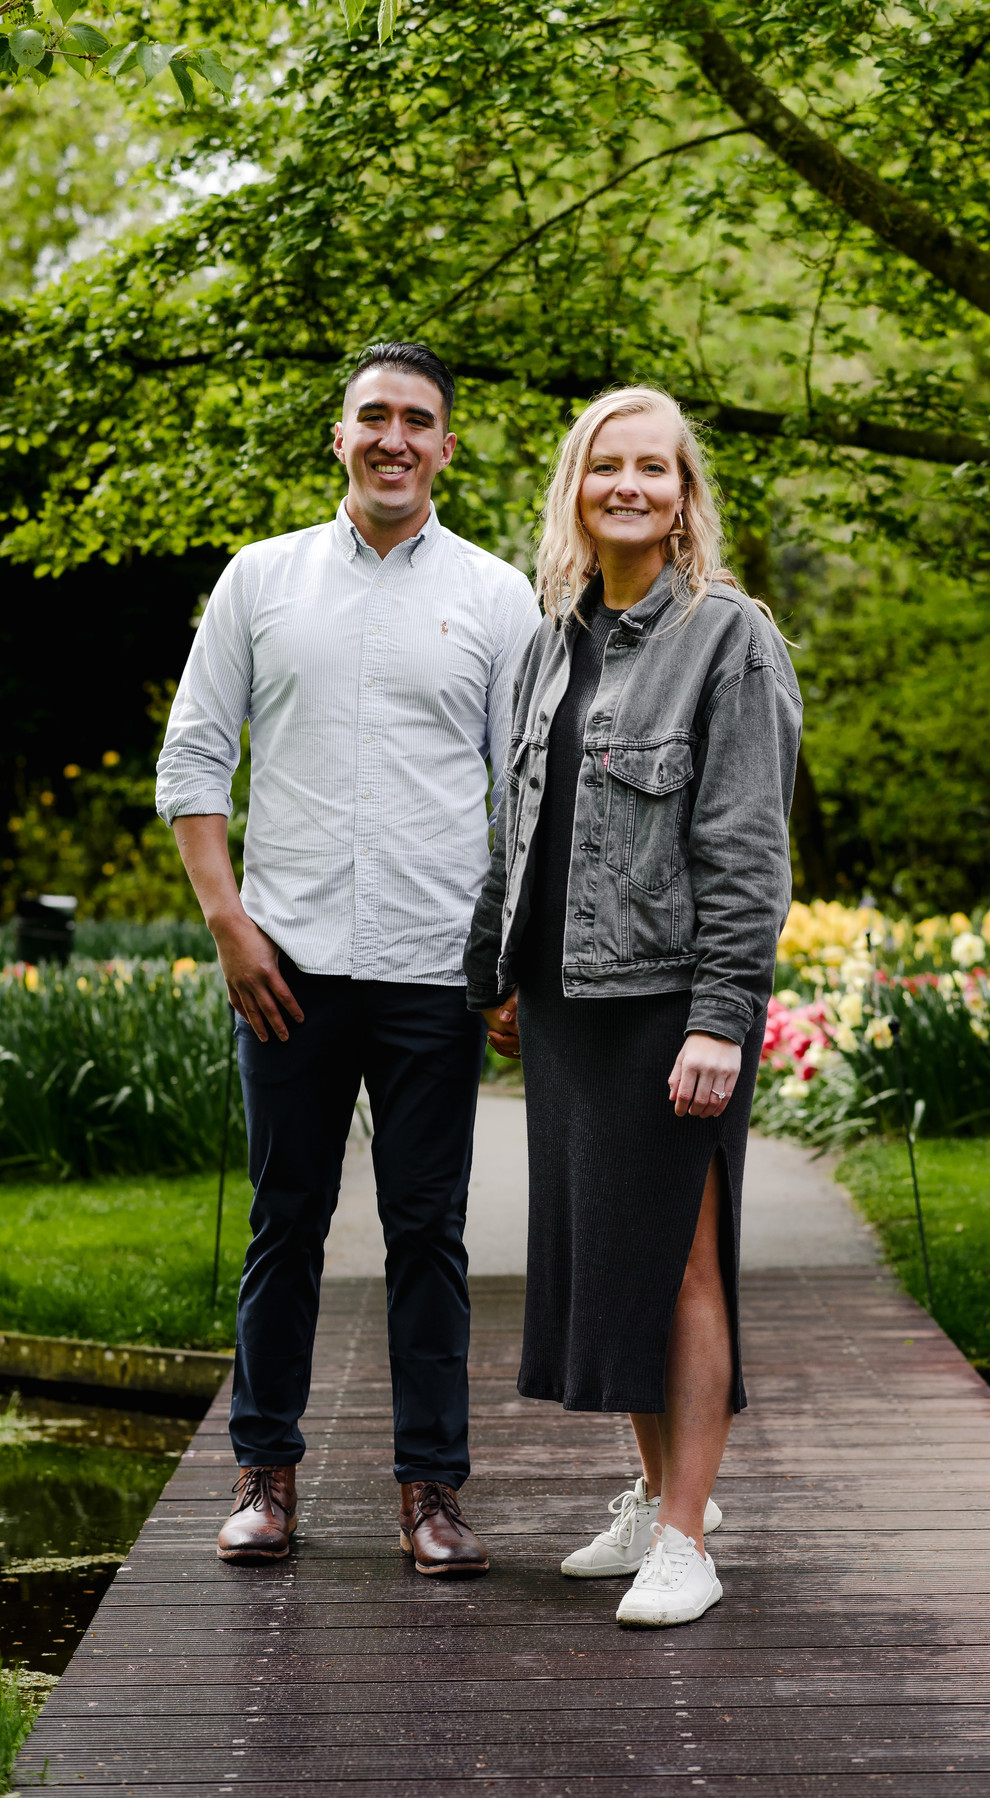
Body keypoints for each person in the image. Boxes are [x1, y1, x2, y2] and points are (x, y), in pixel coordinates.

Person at [156, 340, 538, 1573]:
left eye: (416, 421)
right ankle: (265, 1477)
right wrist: (228, 924)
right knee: (287, 1224)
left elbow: (523, 797)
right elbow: (195, 762)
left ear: (446, 446)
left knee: (429, 1233)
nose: (392, 438)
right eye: (371, 416)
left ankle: (432, 1493)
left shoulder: (495, 596)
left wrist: (510, 962)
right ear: (338, 436)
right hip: (289, 966)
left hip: (435, 967)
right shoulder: (259, 582)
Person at [464, 386, 802, 1627]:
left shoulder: (731, 639)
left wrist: (722, 1016)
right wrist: (495, 969)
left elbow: (747, 850)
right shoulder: (553, 637)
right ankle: (657, 1493)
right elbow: (519, 825)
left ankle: (687, 1537)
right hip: (566, 1003)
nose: (629, 487)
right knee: (609, 1266)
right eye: (608, 466)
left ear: (684, 495)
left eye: (653, 469)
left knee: (683, 1268)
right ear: (577, 485)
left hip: (670, 1002)